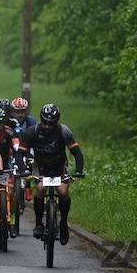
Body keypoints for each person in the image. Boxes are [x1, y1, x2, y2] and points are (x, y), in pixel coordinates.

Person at [16, 104, 85, 245]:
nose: (47, 126)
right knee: (40, 189)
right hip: (40, 167)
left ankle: (64, 224)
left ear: (57, 121)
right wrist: (24, 170)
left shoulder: (64, 131)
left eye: (51, 124)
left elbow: (77, 153)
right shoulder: (32, 131)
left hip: (59, 166)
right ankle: (39, 223)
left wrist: (78, 170)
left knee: (63, 191)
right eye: (45, 123)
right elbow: (20, 154)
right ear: (41, 120)